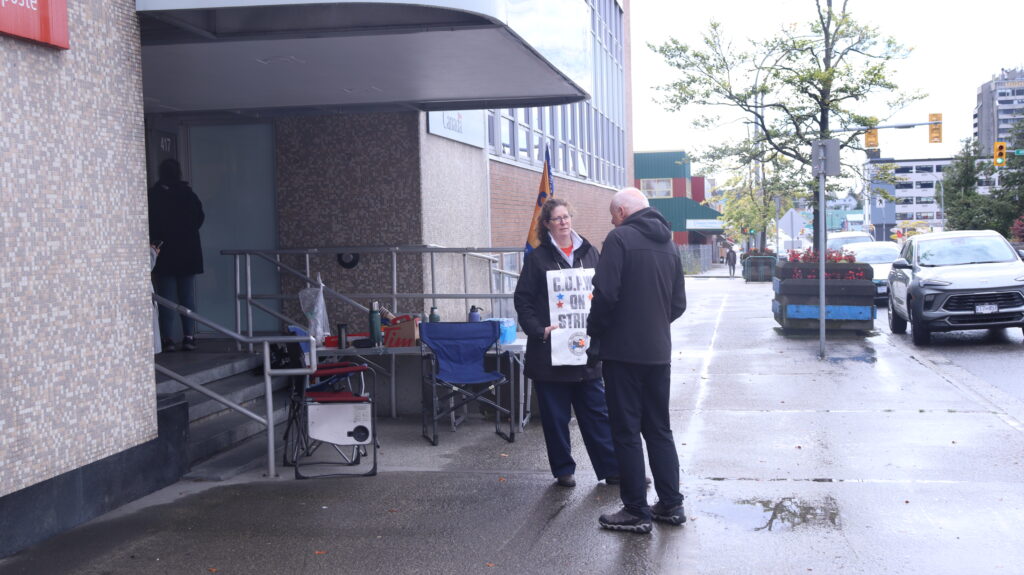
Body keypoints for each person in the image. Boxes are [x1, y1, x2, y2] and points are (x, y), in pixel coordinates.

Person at [587, 187, 687, 534]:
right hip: (658, 353)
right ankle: (671, 504)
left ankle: (635, 510)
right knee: (659, 428)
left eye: (613, 214)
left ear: (623, 211)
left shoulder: (619, 239)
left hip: (622, 353)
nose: (612, 221)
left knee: (626, 431)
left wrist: (596, 333)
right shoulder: (669, 244)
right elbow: (678, 304)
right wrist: (653, 326)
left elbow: (605, 294)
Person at [514, 198, 620, 488]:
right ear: (546, 224)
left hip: (586, 351)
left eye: (566, 217)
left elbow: (604, 291)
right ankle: (563, 470)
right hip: (550, 353)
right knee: (555, 418)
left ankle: (612, 469)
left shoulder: (590, 252)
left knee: (597, 414)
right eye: (557, 218)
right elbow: (523, 300)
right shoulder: (537, 258)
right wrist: (538, 330)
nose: (563, 222)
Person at [148, 158, 205, 352]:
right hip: (188, 254)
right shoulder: (188, 195)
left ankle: (168, 338)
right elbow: (199, 218)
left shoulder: (153, 196)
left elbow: (150, 223)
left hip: (164, 254)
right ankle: (189, 336)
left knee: (166, 298)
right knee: (187, 297)